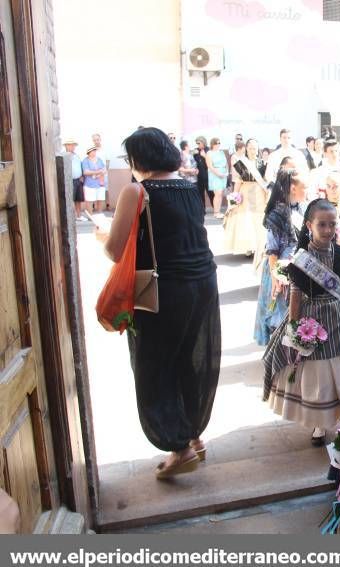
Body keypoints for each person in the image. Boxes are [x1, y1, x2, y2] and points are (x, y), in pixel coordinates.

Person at [99, 127, 219, 479]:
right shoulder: (187, 184)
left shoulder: (137, 191)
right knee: (188, 359)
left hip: (163, 290)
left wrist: (100, 233)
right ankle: (193, 435)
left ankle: (178, 447)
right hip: (203, 281)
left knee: (153, 366)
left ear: (137, 159)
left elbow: (114, 250)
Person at [263, 199, 340, 446]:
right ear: (309, 225)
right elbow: (296, 296)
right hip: (314, 319)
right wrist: (295, 327)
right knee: (319, 374)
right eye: (322, 224)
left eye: (333, 224)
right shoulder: (300, 260)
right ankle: (319, 424)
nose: (329, 230)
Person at [254, 169, 307, 346]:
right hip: (281, 270)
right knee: (280, 313)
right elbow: (272, 250)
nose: (306, 191)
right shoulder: (277, 213)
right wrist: (277, 276)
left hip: (298, 267)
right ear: (293, 188)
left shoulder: (299, 208)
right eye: (304, 187)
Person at [225, 138, 269, 257]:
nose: (252, 150)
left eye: (254, 148)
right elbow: (238, 181)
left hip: (260, 193)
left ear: (257, 149)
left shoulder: (263, 163)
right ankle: (249, 247)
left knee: (259, 219)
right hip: (245, 193)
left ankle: (259, 246)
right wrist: (234, 197)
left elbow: (266, 180)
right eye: (250, 148)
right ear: (246, 149)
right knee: (247, 220)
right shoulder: (241, 162)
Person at [205, 138, 228, 219]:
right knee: (217, 193)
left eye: (219, 143)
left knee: (220, 193)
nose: (218, 144)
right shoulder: (209, 153)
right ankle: (216, 212)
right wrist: (218, 174)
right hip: (214, 174)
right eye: (216, 143)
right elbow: (210, 166)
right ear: (212, 144)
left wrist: (226, 172)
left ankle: (218, 211)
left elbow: (226, 163)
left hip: (223, 173)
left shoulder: (221, 152)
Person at [64, 138, 85, 220]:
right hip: (70, 180)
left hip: (78, 180)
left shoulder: (76, 155)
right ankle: (71, 217)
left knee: (78, 199)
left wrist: (81, 176)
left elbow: (80, 166)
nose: (72, 147)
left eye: (73, 145)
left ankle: (79, 215)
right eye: (70, 145)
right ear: (66, 146)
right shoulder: (64, 155)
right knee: (70, 199)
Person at [82, 146, 107, 213]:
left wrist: (96, 174)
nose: (94, 152)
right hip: (90, 184)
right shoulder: (85, 161)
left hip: (100, 183)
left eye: (95, 151)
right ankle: (90, 215)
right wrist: (98, 172)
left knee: (100, 199)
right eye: (92, 151)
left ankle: (99, 213)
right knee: (89, 200)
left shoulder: (99, 159)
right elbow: (86, 172)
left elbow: (104, 169)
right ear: (88, 153)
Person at [194, 136, 210, 210]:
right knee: (200, 193)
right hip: (199, 175)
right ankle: (202, 209)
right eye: (197, 143)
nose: (198, 145)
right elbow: (193, 162)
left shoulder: (208, 150)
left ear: (203, 142)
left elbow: (211, 162)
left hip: (208, 175)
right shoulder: (196, 151)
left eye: (199, 143)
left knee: (210, 192)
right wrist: (194, 154)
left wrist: (204, 156)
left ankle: (215, 208)